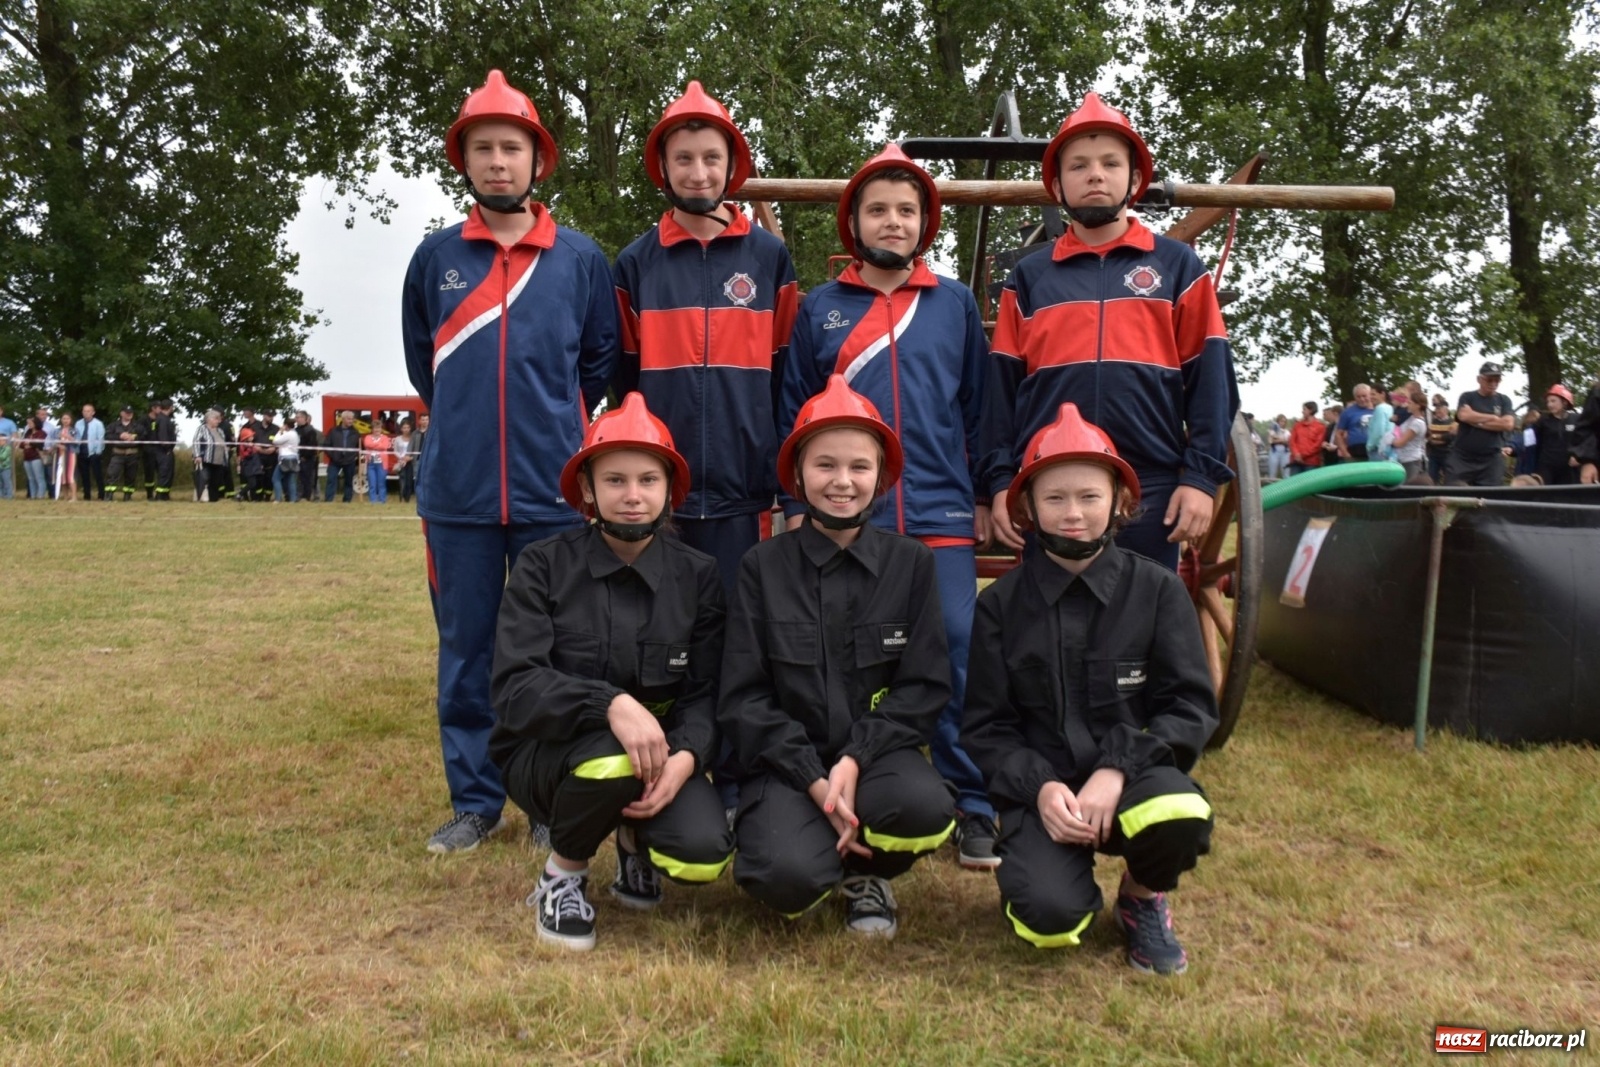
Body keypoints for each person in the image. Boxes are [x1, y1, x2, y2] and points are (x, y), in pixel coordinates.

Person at [402, 69, 618, 853]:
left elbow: (597, 362)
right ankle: (475, 801)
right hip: (458, 494)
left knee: (554, 653)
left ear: (538, 160)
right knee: (466, 651)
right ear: (464, 161)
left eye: (513, 148)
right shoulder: (435, 257)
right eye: (484, 148)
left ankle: (548, 799)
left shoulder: (579, 259)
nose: (499, 162)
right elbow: (425, 365)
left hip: (551, 492)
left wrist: (552, 425)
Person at [782, 144, 997, 869]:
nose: (894, 221)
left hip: (939, 511)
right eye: (878, 209)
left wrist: (984, 491)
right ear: (853, 221)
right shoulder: (820, 307)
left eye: (907, 210)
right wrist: (793, 503)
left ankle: (971, 801)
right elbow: (794, 410)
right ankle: (847, 785)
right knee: (846, 657)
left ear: (925, 222)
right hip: (850, 517)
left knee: (957, 650)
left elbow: (979, 407)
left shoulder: (954, 303)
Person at [961, 402, 1216, 975]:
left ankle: (1142, 895)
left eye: (1089, 496)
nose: (1073, 513)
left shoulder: (1158, 592)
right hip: (1044, 790)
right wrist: (1040, 789)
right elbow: (986, 727)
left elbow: (1189, 707)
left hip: (1131, 777)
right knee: (1048, 922)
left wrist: (1118, 769)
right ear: (1027, 509)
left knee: (1180, 811)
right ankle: (1044, 872)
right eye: (1054, 498)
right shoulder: (999, 607)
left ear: (1120, 502)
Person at [490, 394, 732, 950]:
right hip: (547, 756)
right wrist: (610, 705)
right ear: (587, 489)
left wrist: (688, 758)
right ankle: (563, 874)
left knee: (701, 854)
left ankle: (631, 843)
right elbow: (516, 686)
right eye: (615, 480)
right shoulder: (542, 566)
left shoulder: (699, 577)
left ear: (669, 489)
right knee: (612, 757)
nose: (633, 495)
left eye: (648, 480)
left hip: (658, 757)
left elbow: (707, 693)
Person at [720, 375, 956, 938]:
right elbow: (744, 698)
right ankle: (816, 853)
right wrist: (813, 778)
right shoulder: (761, 567)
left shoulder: (912, 564)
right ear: (798, 475)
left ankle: (867, 873)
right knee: (785, 877)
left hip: (876, 762)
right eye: (825, 465)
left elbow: (923, 687)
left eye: (859, 466)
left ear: (882, 477)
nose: (843, 481)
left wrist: (854, 758)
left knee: (924, 809)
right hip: (785, 768)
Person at [984, 93, 1239, 572]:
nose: (1095, 174)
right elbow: (1001, 392)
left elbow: (1211, 380)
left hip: (1152, 485)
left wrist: (1201, 478)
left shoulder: (1178, 266)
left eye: (1110, 163)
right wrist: (999, 482)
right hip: (1051, 482)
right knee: (1052, 614)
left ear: (1135, 179)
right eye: (1078, 165)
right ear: (1057, 184)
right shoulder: (1029, 277)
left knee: (1144, 612)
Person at [611, 80, 799, 591]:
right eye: (684, 158)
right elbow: (624, 382)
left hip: (746, 493)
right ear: (663, 166)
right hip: (660, 492)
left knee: (739, 624)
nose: (698, 173)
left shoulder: (769, 258)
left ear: (732, 164)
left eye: (711, 158)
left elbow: (787, 377)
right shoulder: (635, 264)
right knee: (660, 623)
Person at [1444, 362, 1515, 487]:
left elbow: (1508, 424)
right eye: (1489, 380)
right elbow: (1464, 416)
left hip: (1491, 459)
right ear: (1479, 379)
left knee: (1491, 496)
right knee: (1453, 491)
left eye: (1497, 380)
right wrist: (1493, 417)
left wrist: (1476, 422)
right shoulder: (1467, 397)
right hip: (1462, 457)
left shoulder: (1504, 400)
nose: (1493, 383)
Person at [1534, 385, 1579, 486]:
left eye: (1553, 401)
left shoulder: (1576, 419)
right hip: (1546, 469)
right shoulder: (1543, 421)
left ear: (1564, 402)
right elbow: (1529, 439)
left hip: (1570, 470)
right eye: (1548, 402)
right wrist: (1512, 447)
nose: (1549, 404)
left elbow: (1585, 440)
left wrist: (1579, 456)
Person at [104, 405, 144, 501]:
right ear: (121, 413)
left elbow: (144, 436)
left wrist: (135, 437)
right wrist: (119, 436)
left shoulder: (138, 426)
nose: (129, 414)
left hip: (132, 454)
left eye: (131, 413)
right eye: (127, 413)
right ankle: (109, 495)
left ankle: (127, 496)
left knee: (131, 476)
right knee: (112, 474)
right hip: (118, 454)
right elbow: (107, 436)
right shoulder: (113, 425)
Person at [1388, 386, 1428, 480]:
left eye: (1410, 403)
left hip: (1411, 460)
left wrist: (1390, 440)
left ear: (1418, 405)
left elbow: (1401, 442)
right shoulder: (1411, 419)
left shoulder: (1417, 423)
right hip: (1403, 458)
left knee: (1409, 486)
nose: (1407, 405)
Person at [192, 409, 231, 503]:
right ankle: (202, 497)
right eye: (216, 419)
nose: (219, 421)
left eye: (219, 419)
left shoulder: (220, 431)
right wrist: (197, 455)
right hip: (206, 459)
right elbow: (196, 442)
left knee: (216, 481)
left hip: (218, 460)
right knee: (204, 479)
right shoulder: (202, 429)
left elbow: (223, 442)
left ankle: (213, 499)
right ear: (209, 419)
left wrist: (225, 449)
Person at [322, 410, 360, 503]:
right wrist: (333, 456)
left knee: (348, 481)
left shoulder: (355, 432)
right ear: (343, 419)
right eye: (348, 419)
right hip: (335, 461)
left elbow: (359, 447)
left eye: (352, 419)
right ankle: (328, 500)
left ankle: (347, 500)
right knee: (331, 479)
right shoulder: (333, 431)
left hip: (349, 461)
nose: (351, 421)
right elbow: (326, 445)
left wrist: (354, 456)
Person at [1333, 384, 1374, 462]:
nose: (1362, 399)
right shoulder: (1347, 412)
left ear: (1370, 395)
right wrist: (1345, 454)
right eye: (1358, 397)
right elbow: (1338, 434)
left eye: (1364, 396)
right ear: (1354, 397)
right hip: (1356, 450)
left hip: (1376, 449)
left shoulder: (1379, 409)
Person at [147, 399, 177, 500]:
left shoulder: (160, 418)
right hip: (163, 451)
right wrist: (167, 448)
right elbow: (163, 436)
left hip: (160, 451)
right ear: (170, 407)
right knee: (164, 473)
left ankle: (165, 494)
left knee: (167, 473)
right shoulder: (163, 419)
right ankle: (160, 495)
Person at [77, 403, 106, 500]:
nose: (86, 413)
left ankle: (101, 495)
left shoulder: (98, 424)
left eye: (88, 411)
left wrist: (98, 452)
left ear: (93, 412)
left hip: (94, 453)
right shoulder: (78, 423)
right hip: (81, 453)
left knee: (98, 475)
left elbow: (100, 439)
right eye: (84, 411)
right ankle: (87, 495)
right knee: (84, 476)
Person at [1425, 394, 1456, 484]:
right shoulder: (1432, 422)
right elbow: (1428, 436)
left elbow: (1450, 437)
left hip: (1447, 454)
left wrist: (1436, 437)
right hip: (1434, 454)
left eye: (1440, 409)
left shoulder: (1452, 423)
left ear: (1446, 410)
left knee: (1448, 478)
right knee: (1432, 478)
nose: (1437, 411)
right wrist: (1434, 439)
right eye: (1436, 409)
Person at [1288, 402, 1325, 476]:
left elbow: (1317, 445)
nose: (1302, 411)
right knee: (1294, 481)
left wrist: (1302, 455)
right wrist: (1296, 454)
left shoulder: (1320, 427)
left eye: (1304, 409)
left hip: (1311, 462)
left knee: (1310, 482)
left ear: (1311, 410)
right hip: (1296, 461)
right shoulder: (1297, 425)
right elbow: (1292, 441)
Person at [362, 417, 392, 504]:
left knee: (381, 483)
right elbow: (367, 444)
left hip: (382, 464)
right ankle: (373, 501)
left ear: (381, 429)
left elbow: (384, 446)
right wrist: (378, 445)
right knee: (372, 483)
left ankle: (382, 500)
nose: (377, 430)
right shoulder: (367, 437)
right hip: (370, 463)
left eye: (379, 428)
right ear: (372, 429)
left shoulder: (385, 437)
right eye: (375, 428)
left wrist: (373, 446)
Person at [294, 411, 321, 502]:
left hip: (307, 459)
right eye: (296, 417)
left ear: (304, 418)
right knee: (299, 478)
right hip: (297, 457)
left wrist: (305, 456)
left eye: (298, 417)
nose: (296, 419)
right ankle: (298, 496)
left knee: (307, 478)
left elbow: (312, 445)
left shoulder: (310, 430)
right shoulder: (295, 430)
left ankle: (306, 496)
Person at [272, 419, 301, 502]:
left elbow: (275, 441)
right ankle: (293, 499)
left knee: (276, 478)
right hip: (294, 458)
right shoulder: (295, 434)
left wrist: (279, 432)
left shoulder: (288, 434)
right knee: (291, 481)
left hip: (285, 459)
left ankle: (278, 498)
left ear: (286, 425)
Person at [21, 416, 48, 499]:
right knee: (31, 478)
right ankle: (33, 495)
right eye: (28, 423)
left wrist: (30, 443)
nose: (29, 424)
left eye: (30, 423)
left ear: (36, 423)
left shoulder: (41, 433)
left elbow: (40, 444)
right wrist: (27, 444)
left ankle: (40, 495)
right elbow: (21, 444)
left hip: (36, 457)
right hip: (27, 457)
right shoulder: (28, 433)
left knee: (39, 477)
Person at [55, 413, 78, 500]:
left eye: (67, 419)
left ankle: (74, 496)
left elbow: (77, 442)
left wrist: (68, 437)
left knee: (70, 475)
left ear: (71, 420)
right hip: (60, 454)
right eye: (64, 418)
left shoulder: (74, 430)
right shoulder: (57, 430)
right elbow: (53, 441)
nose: (65, 421)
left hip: (70, 453)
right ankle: (65, 496)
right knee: (62, 475)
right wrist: (58, 445)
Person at [394, 419, 417, 503]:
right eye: (404, 427)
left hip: (410, 462)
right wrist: (401, 458)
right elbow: (395, 451)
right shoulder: (397, 439)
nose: (406, 429)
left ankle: (407, 498)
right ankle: (401, 498)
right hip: (401, 462)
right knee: (402, 480)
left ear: (410, 428)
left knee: (409, 481)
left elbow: (415, 450)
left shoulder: (413, 438)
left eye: (408, 427)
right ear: (401, 429)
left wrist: (409, 458)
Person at [1266, 414, 1290, 479]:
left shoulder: (1287, 432)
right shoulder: (1272, 431)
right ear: (1278, 422)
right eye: (1281, 421)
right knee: (1272, 472)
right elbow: (1270, 441)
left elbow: (1289, 442)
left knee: (1286, 472)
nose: (1282, 423)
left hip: (1285, 452)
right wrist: (1281, 440)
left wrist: (1278, 440)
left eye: (1284, 421)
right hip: (1274, 451)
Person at [0, 403, 16, 499]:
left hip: (6, 450)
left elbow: (14, 435)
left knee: (6, 479)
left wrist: (13, 446)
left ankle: (9, 495)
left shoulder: (10, 423)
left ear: (2, 411)